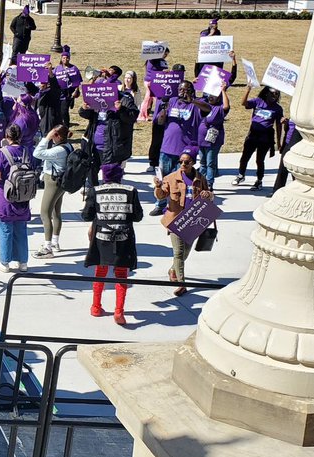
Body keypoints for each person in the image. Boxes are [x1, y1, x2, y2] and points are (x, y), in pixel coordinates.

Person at [82, 163, 143, 325]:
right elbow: (138, 216)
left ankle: (95, 307)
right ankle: (119, 311)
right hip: (123, 238)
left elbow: (86, 215)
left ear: (104, 176)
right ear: (119, 176)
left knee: (100, 270)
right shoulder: (130, 191)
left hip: (102, 238)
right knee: (121, 274)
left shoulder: (95, 191)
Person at [154, 147, 213, 297]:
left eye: (186, 162)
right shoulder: (171, 178)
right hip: (176, 220)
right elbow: (161, 196)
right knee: (178, 253)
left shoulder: (200, 178)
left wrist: (207, 195)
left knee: (185, 253)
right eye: (181, 162)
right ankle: (181, 284)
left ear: (193, 162)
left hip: (192, 221)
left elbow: (210, 196)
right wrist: (158, 186)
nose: (183, 164)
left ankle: (173, 270)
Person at [153, 79, 207, 215]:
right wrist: (164, 111)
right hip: (167, 148)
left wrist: (192, 100)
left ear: (192, 91)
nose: (183, 92)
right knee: (163, 178)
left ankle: (177, 207)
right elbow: (160, 122)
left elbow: (208, 109)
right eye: (181, 90)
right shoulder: (172, 101)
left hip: (184, 152)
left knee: (180, 181)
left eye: (186, 90)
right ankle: (160, 204)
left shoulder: (196, 105)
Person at [0, 124, 32, 273]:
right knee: (21, 229)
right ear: (20, 137)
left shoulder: (3, 153)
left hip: (5, 196)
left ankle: (4, 262)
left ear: (7, 137)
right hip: (23, 195)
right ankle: (23, 262)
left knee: (5, 229)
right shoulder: (26, 151)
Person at [233, 86, 284, 191]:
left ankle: (259, 180)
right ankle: (241, 175)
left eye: (277, 94)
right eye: (273, 93)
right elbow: (244, 103)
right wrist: (247, 90)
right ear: (266, 93)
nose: (275, 96)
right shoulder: (258, 101)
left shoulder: (278, 109)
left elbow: (279, 126)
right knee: (245, 157)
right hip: (253, 134)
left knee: (260, 160)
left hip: (265, 136)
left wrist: (279, 142)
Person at [32, 125, 72, 257]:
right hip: (60, 182)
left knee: (45, 213)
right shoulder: (68, 146)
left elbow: (37, 153)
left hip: (53, 182)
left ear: (58, 136)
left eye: (53, 135)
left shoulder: (58, 150)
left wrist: (46, 138)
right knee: (56, 213)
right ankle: (55, 242)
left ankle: (47, 247)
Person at [197, 84, 231, 189]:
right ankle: (201, 183)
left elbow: (226, 106)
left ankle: (209, 183)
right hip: (201, 139)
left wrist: (223, 90)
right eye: (210, 95)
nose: (211, 97)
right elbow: (193, 100)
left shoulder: (219, 109)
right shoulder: (204, 105)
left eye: (214, 95)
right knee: (202, 163)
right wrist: (196, 85)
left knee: (210, 163)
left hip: (213, 141)